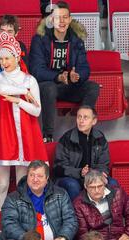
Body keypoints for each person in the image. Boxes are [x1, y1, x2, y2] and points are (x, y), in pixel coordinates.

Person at [0, 31, 47, 210]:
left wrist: (19, 100)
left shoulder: (31, 80)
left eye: (7, 58)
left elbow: (36, 110)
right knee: (2, 184)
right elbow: (2, 89)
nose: (4, 63)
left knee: (23, 184)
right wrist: (25, 90)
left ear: (16, 57)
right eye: (1, 59)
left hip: (26, 134)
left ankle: (23, 219)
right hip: (4, 132)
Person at [29, 1, 100, 143]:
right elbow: (36, 69)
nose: (61, 21)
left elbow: (84, 67)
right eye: (57, 17)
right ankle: (48, 136)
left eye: (65, 17)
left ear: (70, 19)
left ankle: (84, 131)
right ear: (51, 20)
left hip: (69, 84)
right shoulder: (40, 38)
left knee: (93, 87)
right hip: (49, 84)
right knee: (49, 88)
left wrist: (77, 76)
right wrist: (58, 77)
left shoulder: (76, 39)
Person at [0, 160, 78, 240]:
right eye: (32, 175)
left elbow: (71, 219)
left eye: (39, 176)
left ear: (47, 178)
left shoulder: (61, 194)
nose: (35, 179)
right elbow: (8, 223)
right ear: (27, 176)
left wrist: (61, 238)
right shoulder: (13, 197)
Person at [54, 105, 115, 200]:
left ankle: (110, 213)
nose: (81, 120)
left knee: (112, 183)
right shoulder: (66, 138)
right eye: (79, 117)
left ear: (94, 121)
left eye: (85, 117)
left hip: (93, 176)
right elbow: (58, 168)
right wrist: (79, 172)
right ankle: (78, 214)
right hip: (71, 178)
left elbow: (104, 164)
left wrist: (98, 174)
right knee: (72, 185)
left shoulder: (100, 138)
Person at [73, 170, 129, 240]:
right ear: (86, 187)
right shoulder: (78, 203)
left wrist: (127, 234)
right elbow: (83, 233)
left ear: (105, 184)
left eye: (100, 186)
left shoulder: (118, 192)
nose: (97, 190)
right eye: (92, 187)